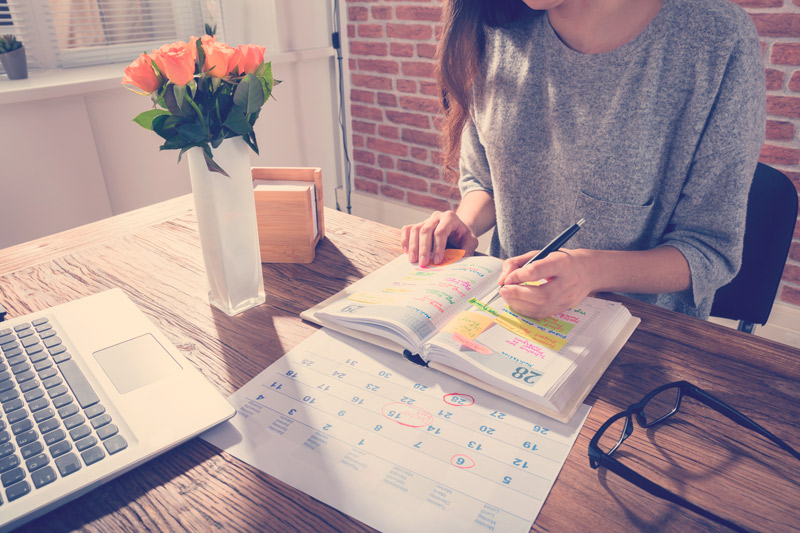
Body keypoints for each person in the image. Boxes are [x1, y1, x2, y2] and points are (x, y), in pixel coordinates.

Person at [400, 0, 765, 319]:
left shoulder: (716, 40)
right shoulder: (494, 29)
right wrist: (463, 224)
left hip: (641, 338)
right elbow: (485, 182)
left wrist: (590, 271)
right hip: (507, 316)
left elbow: (709, 250)